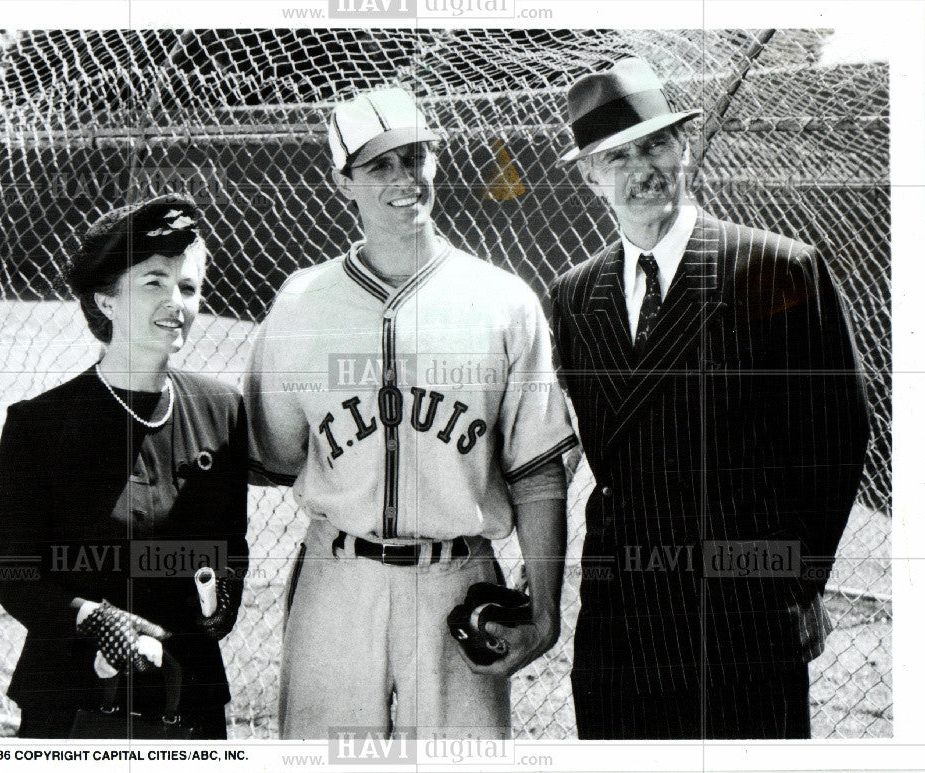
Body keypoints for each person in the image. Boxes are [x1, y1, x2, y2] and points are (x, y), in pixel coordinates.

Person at [550, 57, 871, 739]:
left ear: (684, 146)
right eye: (619, 155)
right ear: (590, 176)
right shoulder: (575, 295)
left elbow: (834, 441)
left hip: (742, 618)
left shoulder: (775, 268)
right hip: (619, 625)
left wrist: (799, 584)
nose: (644, 168)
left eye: (656, 144)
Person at [245, 87, 578, 740]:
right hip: (338, 579)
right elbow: (274, 453)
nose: (402, 179)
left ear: (436, 160)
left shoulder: (503, 302)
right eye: (377, 165)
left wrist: (545, 609)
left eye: (413, 156)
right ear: (344, 182)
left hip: (459, 582)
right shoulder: (302, 303)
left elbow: (539, 471)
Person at [0, 194, 249, 739]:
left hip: (187, 695)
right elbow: (11, 570)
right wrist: (91, 618)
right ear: (106, 301)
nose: (176, 302)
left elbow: (231, 551)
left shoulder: (221, 409)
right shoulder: (41, 424)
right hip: (75, 697)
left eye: (189, 286)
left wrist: (218, 601)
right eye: (154, 281)